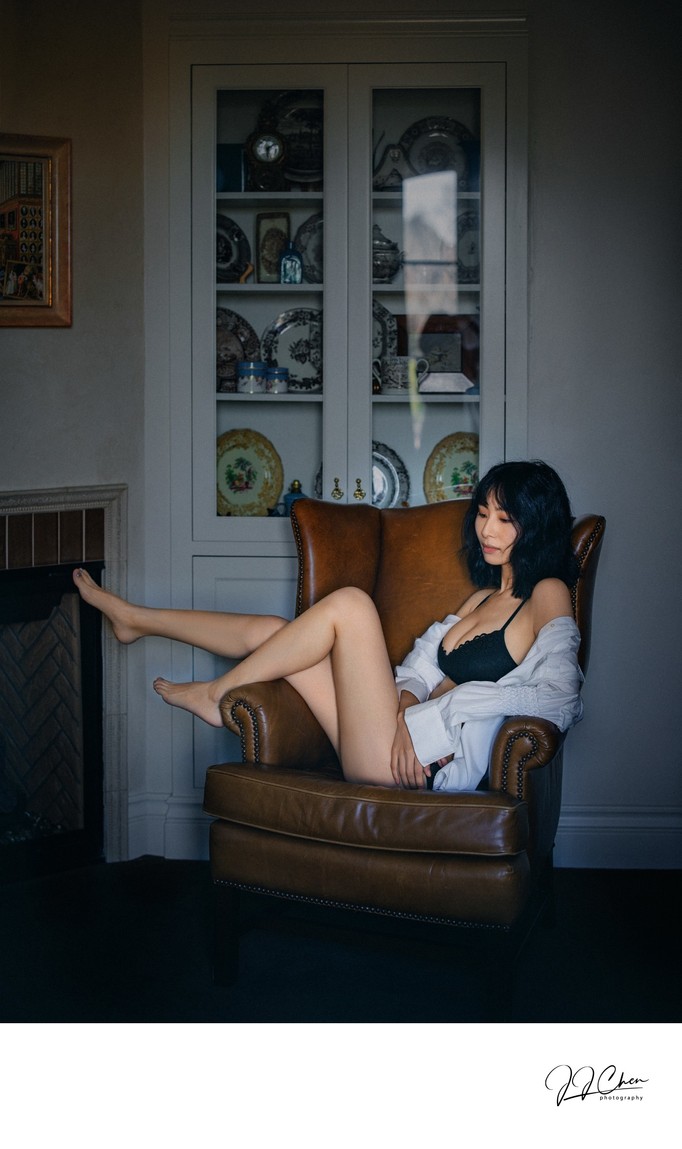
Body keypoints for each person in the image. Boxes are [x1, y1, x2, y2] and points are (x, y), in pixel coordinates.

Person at [73, 460, 584, 793]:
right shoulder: (480, 599)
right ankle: (136, 620)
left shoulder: (547, 593)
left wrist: (433, 721)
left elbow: (562, 698)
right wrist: (406, 710)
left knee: (352, 607)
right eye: (483, 513)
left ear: (536, 526)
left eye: (505, 519)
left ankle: (216, 692)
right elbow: (417, 669)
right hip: (393, 736)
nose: (487, 529)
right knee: (275, 633)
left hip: (421, 769)